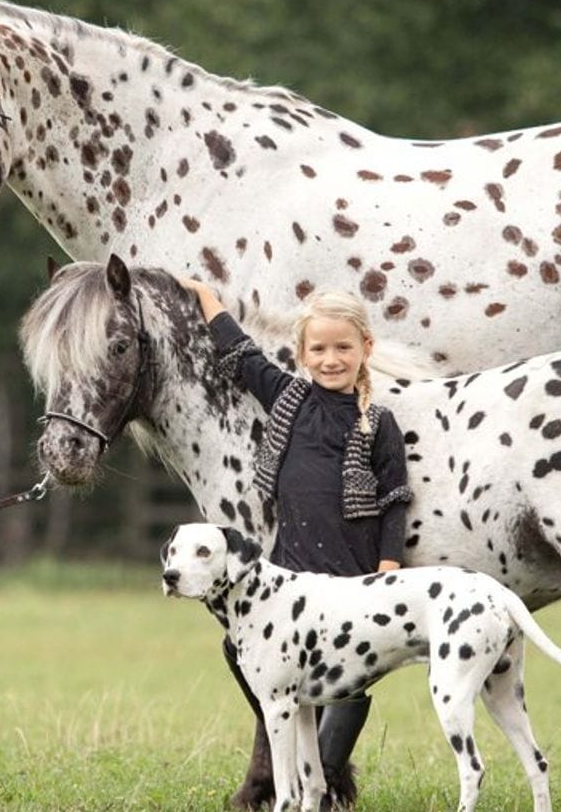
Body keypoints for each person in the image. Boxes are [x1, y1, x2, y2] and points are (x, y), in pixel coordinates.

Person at [179, 279, 410, 807]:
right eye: (320, 349)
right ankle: (288, 735)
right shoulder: (288, 398)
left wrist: (388, 566)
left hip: (351, 575)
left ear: (365, 350)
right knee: (239, 649)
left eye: (343, 348)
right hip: (289, 572)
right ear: (303, 354)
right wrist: (205, 298)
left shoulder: (377, 423)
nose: (331, 360)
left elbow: (395, 499)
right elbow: (240, 355)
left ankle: (327, 778)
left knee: (350, 679)